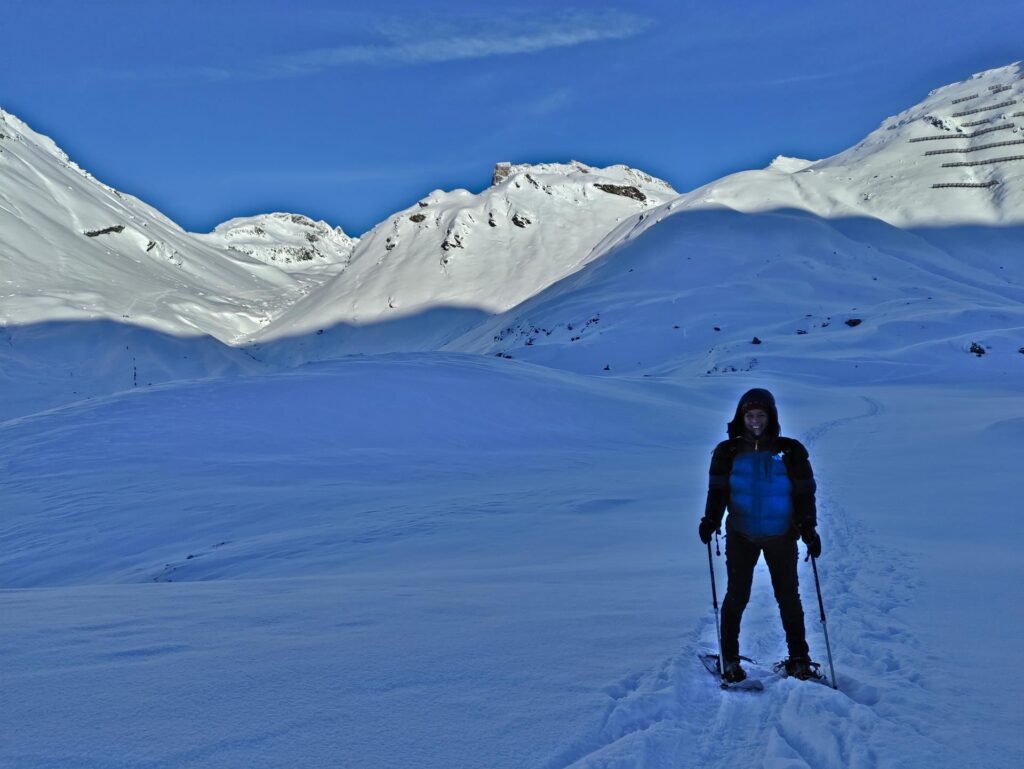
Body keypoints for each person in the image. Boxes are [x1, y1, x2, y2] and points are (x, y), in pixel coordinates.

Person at [698, 388, 822, 683]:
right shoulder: (727, 452)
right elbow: (717, 491)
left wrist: (808, 527)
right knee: (737, 596)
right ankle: (729, 660)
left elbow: (805, 493)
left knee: (788, 597)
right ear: (741, 417)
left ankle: (799, 660)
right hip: (742, 534)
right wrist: (711, 519)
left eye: (761, 415)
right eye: (749, 415)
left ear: (771, 416)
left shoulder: (790, 450)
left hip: (782, 534)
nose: (755, 420)